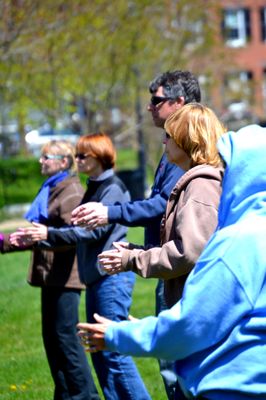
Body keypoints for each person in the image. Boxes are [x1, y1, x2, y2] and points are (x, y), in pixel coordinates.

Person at [77, 123, 266, 400]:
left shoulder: (238, 243)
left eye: (229, 164)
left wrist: (119, 335)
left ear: (245, 172)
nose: (222, 173)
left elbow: (191, 326)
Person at [71, 70, 201, 400]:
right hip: (167, 268)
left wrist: (111, 215)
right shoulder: (175, 147)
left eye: (156, 100)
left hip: (180, 272)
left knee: (173, 364)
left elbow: (161, 204)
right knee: (168, 362)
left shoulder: (187, 150)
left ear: (178, 102)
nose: (149, 107)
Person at [11, 133, 151, 400]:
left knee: (113, 352)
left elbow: (91, 233)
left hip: (111, 277)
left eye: (82, 155)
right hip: (96, 277)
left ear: (99, 157)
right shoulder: (94, 186)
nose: (77, 160)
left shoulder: (112, 187)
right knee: (101, 352)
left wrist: (48, 235)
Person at [98, 103, 225, 307]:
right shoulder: (196, 182)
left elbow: (188, 254)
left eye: (169, 136)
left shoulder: (201, 186)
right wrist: (138, 249)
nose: (164, 142)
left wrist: (132, 258)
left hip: (197, 306)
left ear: (187, 139)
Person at [0, 140, 100, 400]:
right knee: (54, 342)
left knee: (66, 341)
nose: (40, 161)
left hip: (67, 278)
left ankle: (85, 395)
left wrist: (38, 238)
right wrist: (4, 241)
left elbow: (73, 236)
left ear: (64, 162)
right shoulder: (53, 189)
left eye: (46, 157)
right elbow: (36, 236)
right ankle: (67, 394)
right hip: (51, 278)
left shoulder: (71, 192)